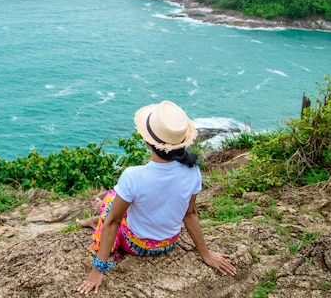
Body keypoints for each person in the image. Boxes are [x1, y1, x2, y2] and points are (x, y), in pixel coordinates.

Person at [77, 100, 237, 295]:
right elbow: (190, 214)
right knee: (119, 201)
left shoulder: (133, 175)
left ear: (147, 142)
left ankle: (100, 222)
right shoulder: (192, 170)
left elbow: (114, 222)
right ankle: (98, 217)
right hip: (169, 243)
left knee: (111, 201)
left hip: (136, 245)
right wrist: (205, 253)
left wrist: (97, 271)